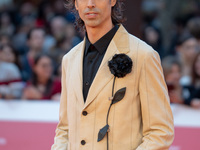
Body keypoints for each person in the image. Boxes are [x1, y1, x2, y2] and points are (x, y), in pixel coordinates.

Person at [52, 0, 174, 150]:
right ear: (76, 4)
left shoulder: (144, 55)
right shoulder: (69, 60)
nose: (90, 4)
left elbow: (160, 132)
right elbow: (65, 129)